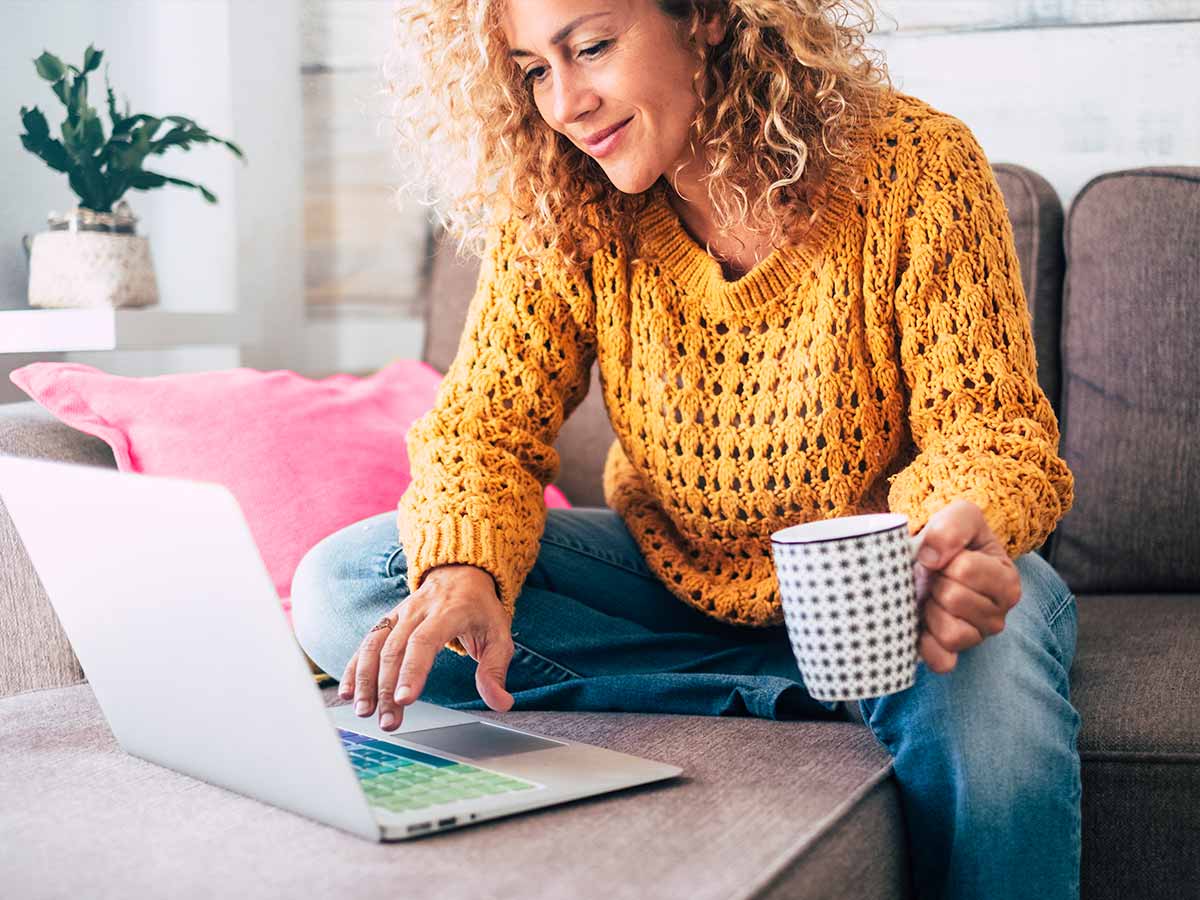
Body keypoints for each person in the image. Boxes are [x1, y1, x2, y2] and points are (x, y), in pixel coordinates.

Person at [291, 1, 1081, 897]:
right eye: (533, 70)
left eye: (590, 48)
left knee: (981, 660)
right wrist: (464, 569)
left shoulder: (915, 166)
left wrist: (938, 545)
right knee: (348, 585)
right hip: (678, 579)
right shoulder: (563, 195)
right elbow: (484, 430)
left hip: (892, 586)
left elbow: (990, 434)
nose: (565, 104)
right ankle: (809, 688)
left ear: (707, 16)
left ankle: (856, 676)